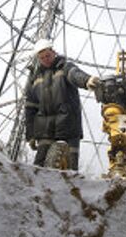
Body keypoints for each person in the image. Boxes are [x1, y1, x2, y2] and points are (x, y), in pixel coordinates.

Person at [24, 38, 99, 170]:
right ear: (38, 59)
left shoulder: (64, 67)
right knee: (39, 169)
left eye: (48, 55)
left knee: (68, 171)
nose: (46, 59)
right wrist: (30, 134)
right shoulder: (35, 78)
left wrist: (87, 80)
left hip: (68, 128)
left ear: (53, 52)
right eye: (42, 58)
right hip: (45, 131)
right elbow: (30, 108)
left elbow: (75, 74)